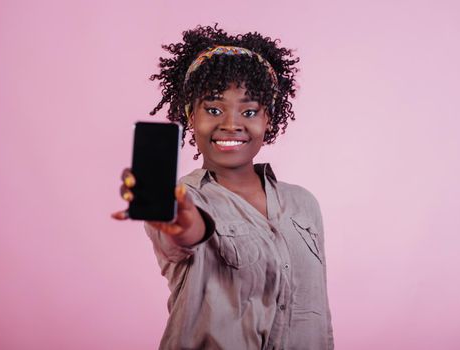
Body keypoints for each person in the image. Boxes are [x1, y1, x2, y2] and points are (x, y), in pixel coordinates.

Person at [112, 25, 334, 350]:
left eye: (249, 111)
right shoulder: (184, 200)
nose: (231, 123)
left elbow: (318, 314)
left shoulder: (304, 204)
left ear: (268, 119)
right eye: (213, 109)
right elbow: (184, 235)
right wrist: (181, 223)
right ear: (191, 115)